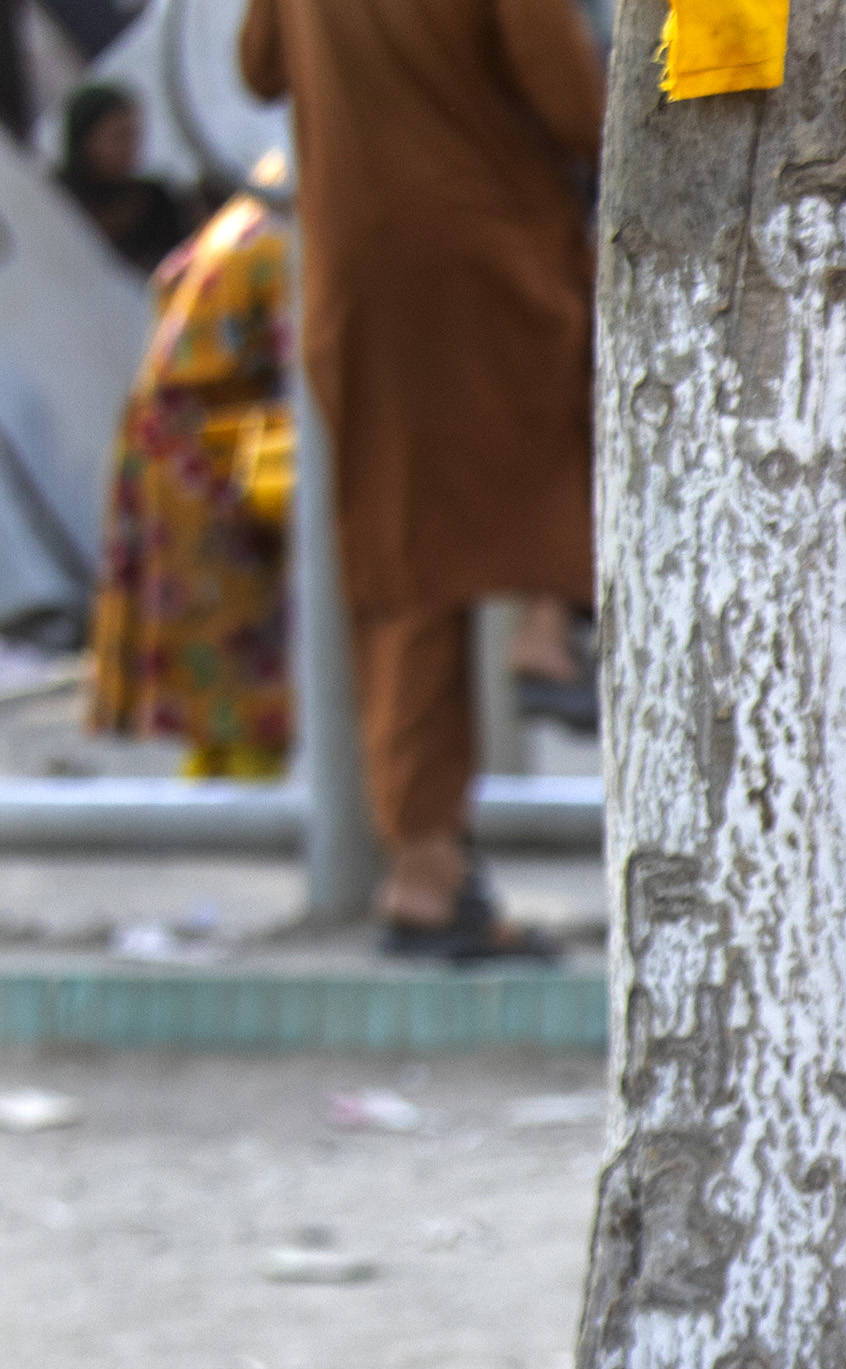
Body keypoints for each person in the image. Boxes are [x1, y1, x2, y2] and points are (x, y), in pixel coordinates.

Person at [237, 0, 599, 962]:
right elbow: (572, 105)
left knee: (402, 569)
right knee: (579, 435)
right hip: (495, 256)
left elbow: (258, 69)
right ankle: (550, 628)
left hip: (357, 270)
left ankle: (425, 860)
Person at [84, 147, 290, 780]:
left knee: (223, 667)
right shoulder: (281, 240)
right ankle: (237, 796)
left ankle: (222, 785)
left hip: (186, 446)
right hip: (211, 454)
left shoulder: (249, 225)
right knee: (238, 654)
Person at [56, 78, 206, 275]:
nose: (130, 148)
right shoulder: (57, 202)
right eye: (118, 137)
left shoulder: (156, 201)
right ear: (85, 142)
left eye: (133, 136)